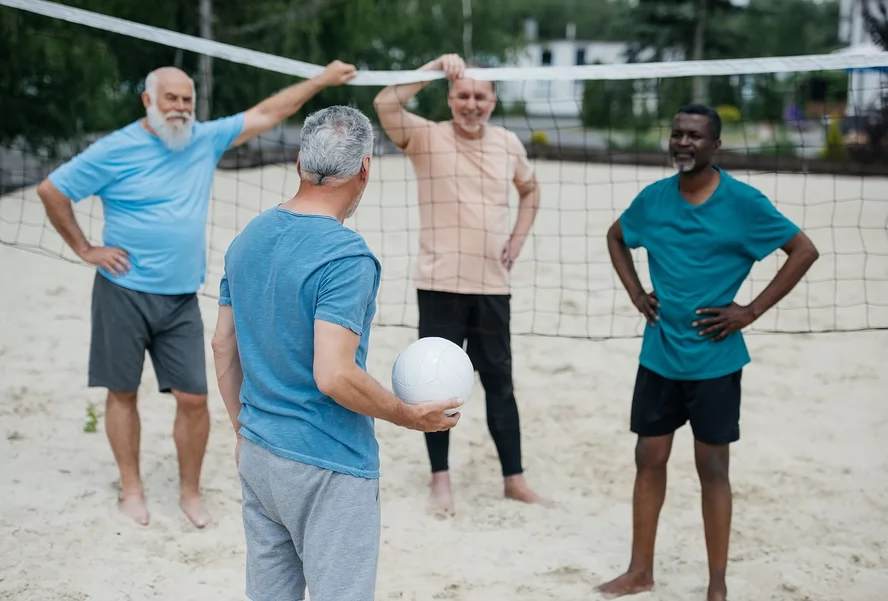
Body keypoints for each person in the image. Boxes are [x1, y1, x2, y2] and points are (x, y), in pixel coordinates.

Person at [35, 60, 357, 528]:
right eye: (171, 98)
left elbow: (267, 113)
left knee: (193, 398)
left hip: (182, 296)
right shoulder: (116, 148)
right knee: (122, 393)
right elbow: (51, 190)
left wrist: (323, 80)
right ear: (148, 100)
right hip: (122, 290)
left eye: (187, 99)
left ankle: (190, 493)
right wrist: (86, 248)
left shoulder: (202, 139)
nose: (182, 107)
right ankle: (132, 489)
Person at [211, 104, 462, 601]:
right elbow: (333, 375)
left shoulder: (248, 238)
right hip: (327, 460)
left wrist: (244, 430)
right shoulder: (347, 256)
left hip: (259, 451)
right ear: (365, 168)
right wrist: (408, 416)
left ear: (300, 164)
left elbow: (222, 345)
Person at [598, 104, 820, 601]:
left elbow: (803, 250)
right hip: (659, 355)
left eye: (695, 136)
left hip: (715, 361)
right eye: (677, 134)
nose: (683, 142)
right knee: (648, 458)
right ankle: (640, 571)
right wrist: (636, 293)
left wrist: (751, 310)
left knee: (712, 469)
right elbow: (616, 237)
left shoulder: (744, 203)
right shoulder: (653, 200)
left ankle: (717, 585)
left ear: (715, 146)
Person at [372, 53, 545, 515]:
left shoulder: (508, 143)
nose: (472, 104)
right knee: (434, 389)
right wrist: (431, 69)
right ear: (450, 99)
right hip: (439, 285)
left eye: (480, 96)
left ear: (492, 100)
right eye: (463, 95)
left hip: (492, 287)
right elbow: (385, 104)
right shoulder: (426, 137)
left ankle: (515, 479)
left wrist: (518, 239)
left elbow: (531, 192)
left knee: (499, 385)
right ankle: (440, 481)